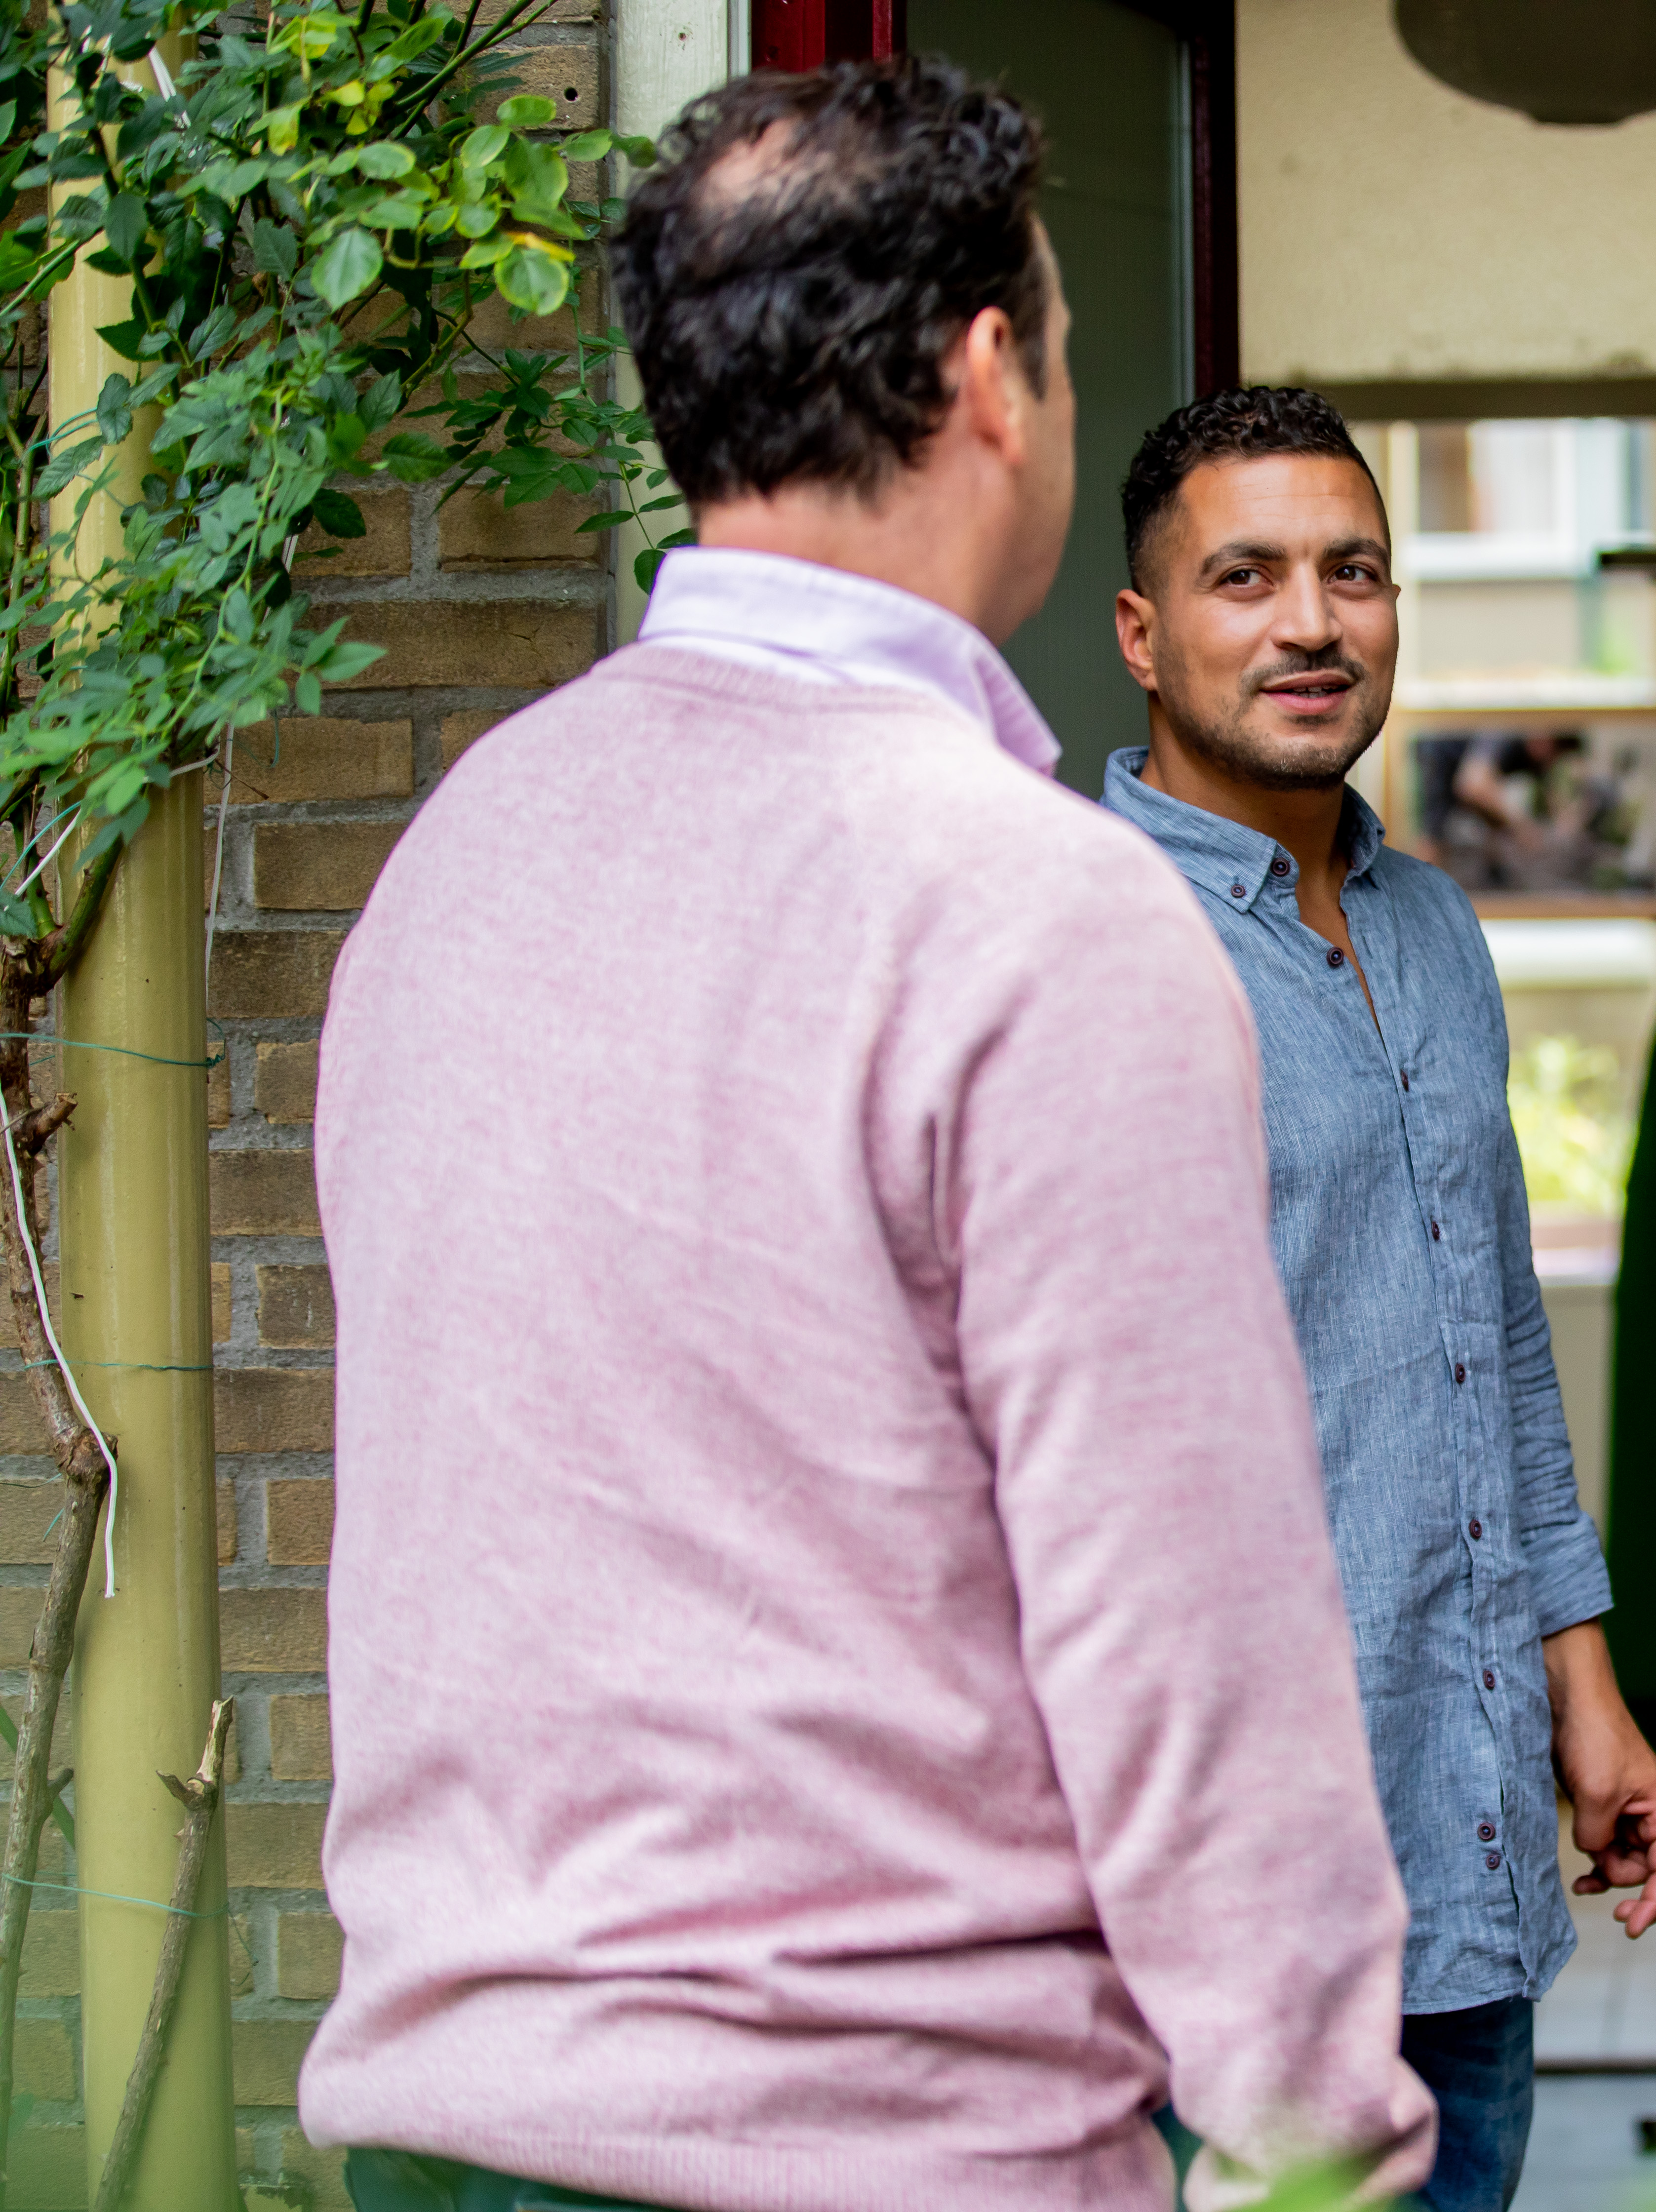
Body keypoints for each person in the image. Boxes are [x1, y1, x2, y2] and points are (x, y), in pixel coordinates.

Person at [304, 63, 1432, 2212]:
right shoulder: (1032, 912)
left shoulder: (458, 854)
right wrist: (1318, 2143)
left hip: (443, 2135)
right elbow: (1187, 1633)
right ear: (994, 371)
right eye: (1070, 344)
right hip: (884, 2151)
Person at [1100, 385, 1656, 2212]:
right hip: (1228, 1910)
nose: (1311, 623)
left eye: (1352, 571)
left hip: (1471, 1844)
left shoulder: (1431, 925)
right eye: (1247, 576)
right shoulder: (1085, 941)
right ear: (1143, 631)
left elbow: (1489, 1336)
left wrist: (1580, 1682)